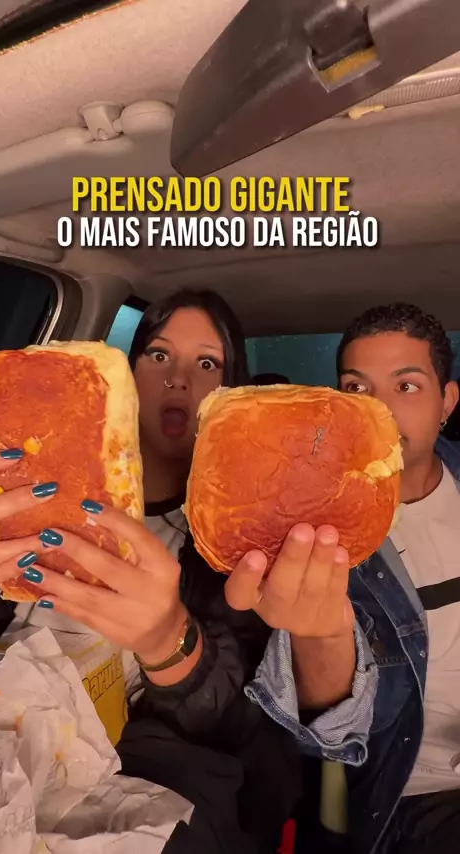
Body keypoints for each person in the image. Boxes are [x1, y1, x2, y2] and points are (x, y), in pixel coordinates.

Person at [0, 288, 315, 851]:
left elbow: (252, 726)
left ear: (228, 392)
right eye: (159, 355)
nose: (178, 378)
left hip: (138, 778)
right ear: (129, 372)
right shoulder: (30, 484)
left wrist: (169, 643)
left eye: (206, 363)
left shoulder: (243, 533)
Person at [227, 303, 460, 854]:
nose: (377, 412)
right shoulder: (316, 527)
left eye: (406, 386)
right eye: (357, 389)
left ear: (447, 402)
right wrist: (317, 637)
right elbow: (329, 733)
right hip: (413, 794)